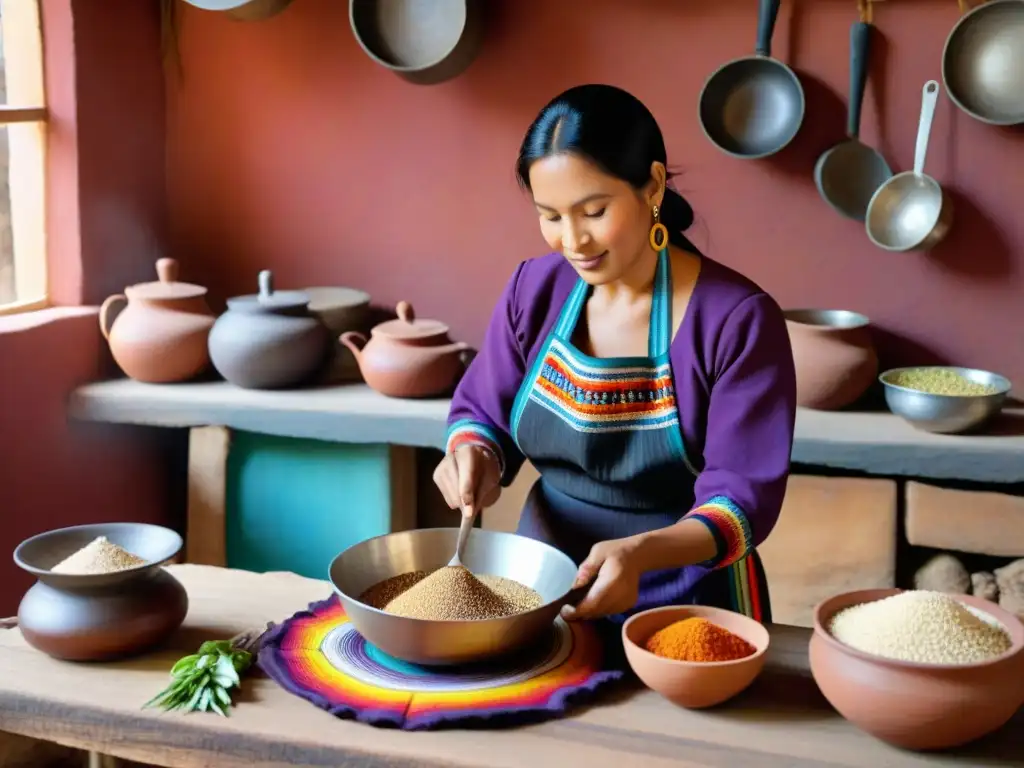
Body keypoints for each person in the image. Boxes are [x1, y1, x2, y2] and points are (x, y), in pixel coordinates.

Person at [433, 83, 796, 626]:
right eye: (550, 216)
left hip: (689, 600)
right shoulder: (533, 291)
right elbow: (483, 413)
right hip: (544, 586)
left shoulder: (735, 320)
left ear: (651, 185)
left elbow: (741, 501)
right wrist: (473, 456)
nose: (573, 240)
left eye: (594, 210)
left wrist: (641, 553)